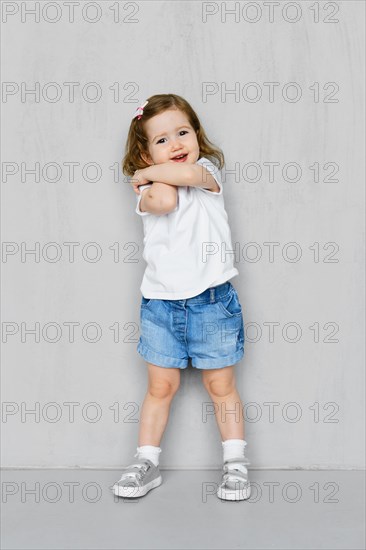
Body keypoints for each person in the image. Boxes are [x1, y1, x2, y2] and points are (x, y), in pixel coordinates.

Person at [113, 94, 251, 501]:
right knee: (160, 387)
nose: (175, 143)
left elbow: (189, 176)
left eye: (183, 132)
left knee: (221, 385)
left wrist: (147, 171)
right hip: (160, 305)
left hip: (212, 301)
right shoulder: (149, 191)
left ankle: (235, 463)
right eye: (161, 139)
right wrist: (150, 177)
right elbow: (167, 200)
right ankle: (147, 461)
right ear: (143, 150)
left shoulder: (207, 170)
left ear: (197, 136)